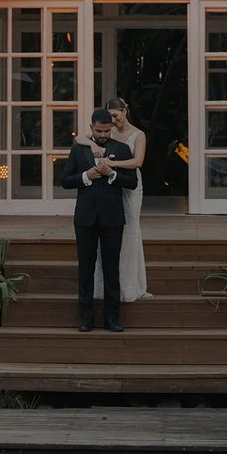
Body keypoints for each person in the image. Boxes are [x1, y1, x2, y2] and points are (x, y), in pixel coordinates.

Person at [61, 116, 138, 332]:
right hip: (85, 218)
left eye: (106, 131)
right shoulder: (79, 150)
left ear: (111, 128)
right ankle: (86, 317)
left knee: (111, 269)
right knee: (86, 269)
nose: (103, 135)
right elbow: (65, 181)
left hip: (112, 218)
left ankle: (112, 318)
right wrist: (87, 176)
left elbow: (133, 182)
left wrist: (111, 173)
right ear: (91, 128)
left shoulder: (121, 149)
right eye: (98, 131)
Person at [95, 96, 149, 304]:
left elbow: (138, 161)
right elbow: (81, 138)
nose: (113, 120)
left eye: (115, 116)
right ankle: (105, 284)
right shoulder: (107, 133)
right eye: (110, 117)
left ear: (124, 111)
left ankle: (130, 284)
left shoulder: (138, 134)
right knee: (110, 227)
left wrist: (112, 163)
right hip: (111, 182)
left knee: (130, 228)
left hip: (131, 184)